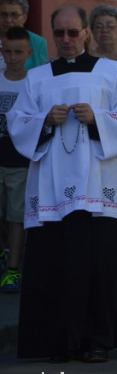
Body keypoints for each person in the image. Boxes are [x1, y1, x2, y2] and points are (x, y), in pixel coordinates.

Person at [8, 6, 117, 362]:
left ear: (86, 33)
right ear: (51, 35)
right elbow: (18, 122)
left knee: (98, 264)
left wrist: (97, 117)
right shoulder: (37, 77)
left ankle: (97, 340)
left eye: (73, 33)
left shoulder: (113, 72)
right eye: (59, 34)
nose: (66, 40)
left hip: (99, 184)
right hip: (52, 187)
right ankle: (57, 342)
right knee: (54, 263)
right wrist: (45, 120)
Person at [0, 27, 32, 292]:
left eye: (18, 52)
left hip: (19, 161)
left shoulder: (33, 83)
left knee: (16, 217)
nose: (12, 57)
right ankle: (4, 254)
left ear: (29, 53)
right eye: (7, 51)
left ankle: (12, 269)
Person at [0, 0, 49, 70]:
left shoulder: (38, 43)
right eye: (4, 15)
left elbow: (42, 75)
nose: (8, 20)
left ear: (24, 18)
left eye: (14, 15)